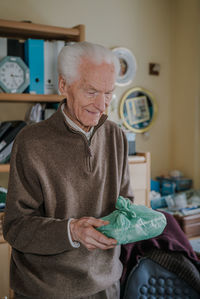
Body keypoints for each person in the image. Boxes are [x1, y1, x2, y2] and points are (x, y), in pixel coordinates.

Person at [3, 41, 134, 299]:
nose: (102, 105)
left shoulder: (117, 136)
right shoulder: (31, 141)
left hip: (106, 286)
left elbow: (125, 203)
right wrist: (72, 230)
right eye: (91, 92)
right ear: (63, 85)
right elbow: (16, 228)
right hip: (45, 289)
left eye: (109, 93)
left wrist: (135, 221)